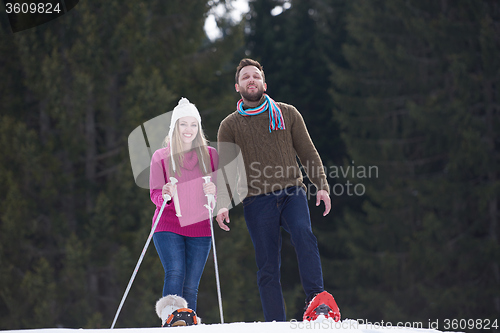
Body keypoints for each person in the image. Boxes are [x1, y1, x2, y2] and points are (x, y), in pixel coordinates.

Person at [216, 58, 333, 322]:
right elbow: (225, 169)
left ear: (264, 84)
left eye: (255, 76)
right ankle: (275, 323)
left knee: (304, 234)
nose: (251, 80)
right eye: (245, 77)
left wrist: (321, 186)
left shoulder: (287, 113)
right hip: (256, 201)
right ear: (238, 86)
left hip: (292, 192)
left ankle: (317, 304)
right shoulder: (229, 126)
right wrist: (222, 202)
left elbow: (307, 152)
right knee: (268, 266)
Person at [149, 97, 218, 315]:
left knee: (191, 286)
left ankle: (187, 324)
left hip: (200, 226)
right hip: (168, 223)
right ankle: (171, 320)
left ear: (198, 128)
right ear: (175, 126)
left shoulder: (210, 155)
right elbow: (155, 192)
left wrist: (213, 193)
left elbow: (218, 192)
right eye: (183, 124)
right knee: (175, 271)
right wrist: (165, 196)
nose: (188, 129)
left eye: (193, 124)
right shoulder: (161, 156)